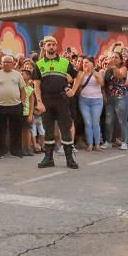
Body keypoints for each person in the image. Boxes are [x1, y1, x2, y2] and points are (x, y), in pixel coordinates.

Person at [32, 36, 80, 169]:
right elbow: (36, 85)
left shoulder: (65, 62)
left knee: (65, 129)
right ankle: (48, 159)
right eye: (49, 45)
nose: (51, 47)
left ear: (56, 46)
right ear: (44, 47)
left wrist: (74, 90)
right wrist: (39, 102)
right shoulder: (39, 64)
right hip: (46, 101)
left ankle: (70, 159)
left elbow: (78, 75)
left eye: (53, 44)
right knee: (48, 130)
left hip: (62, 100)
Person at [0, 54, 27, 159]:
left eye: (8, 62)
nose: (6, 64)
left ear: (13, 64)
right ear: (1, 63)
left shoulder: (17, 74)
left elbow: (22, 90)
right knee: (0, 130)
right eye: (4, 62)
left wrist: (23, 101)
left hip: (16, 105)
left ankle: (16, 150)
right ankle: (0, 151)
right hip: (0, 106)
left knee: (16, 129)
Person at [77, 57, 105, 152]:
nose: (84, 64)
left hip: (97, 100)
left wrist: (93, 73)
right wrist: (84, 73)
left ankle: (97, 144)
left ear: (92, 63)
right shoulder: (80, 74)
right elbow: (78, 84)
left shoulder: (97, 73)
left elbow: (101, 83)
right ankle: (90, 144)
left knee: (95, 123)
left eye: (87, 62)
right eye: (84, 63)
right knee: (88, 123)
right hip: (84, 101)